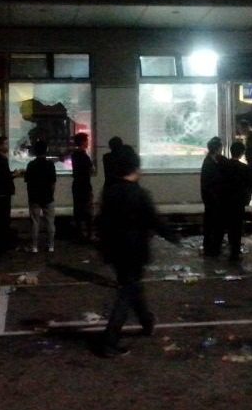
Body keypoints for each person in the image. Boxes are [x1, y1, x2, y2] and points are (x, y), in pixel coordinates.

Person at [98, 145, 178, 357]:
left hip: (115, 250)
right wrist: (174, 237)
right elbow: (155, 220)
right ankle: (109, 341)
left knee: (132, 287)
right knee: (127, 292)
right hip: (134, 251)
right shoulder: (139, 193)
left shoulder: (110, 192)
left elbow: (102, 222)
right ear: (136, 168)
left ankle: (146, 321)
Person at [0, 136, 22, 252]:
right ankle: (2, 243)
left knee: (4, 218)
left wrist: (12, 174)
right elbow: (1, 177)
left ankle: (3, 242)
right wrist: (13, 175)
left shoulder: (1, 159)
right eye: (6, 144)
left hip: (3, 192)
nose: (8, 146)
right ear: (0, 146)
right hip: (1, 193)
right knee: (3, 218)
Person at [223, 142, 252, 261]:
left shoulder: (224, 167)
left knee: (229, 225)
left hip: (226, 200)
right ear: (242, 153)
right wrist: (246, 200)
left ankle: (231, 246)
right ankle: (235, 251)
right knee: (237, 225)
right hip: (239, 201)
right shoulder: (244, 168)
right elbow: (249, 186)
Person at [25, 141, 57, 253]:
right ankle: (51, 245)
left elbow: (28, 182)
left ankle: (34, 246)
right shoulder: (50, 165)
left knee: (35, 222)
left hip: (34, 197)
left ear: (35, 151)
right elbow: (53, 183)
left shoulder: (31, 165)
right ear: (46, 150)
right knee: (50, 222)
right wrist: (51, 194)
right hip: (48, 196)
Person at [200, 137, 226, 256]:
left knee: (212, 222)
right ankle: (213, 246)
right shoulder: (210, 163)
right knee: (214, 222)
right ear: (217, 148)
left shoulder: (212, 161)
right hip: (213, 198)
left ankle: (212, 245)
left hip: (213, 198)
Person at [71, 133, 94, 242]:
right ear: (82, 142)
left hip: (76, 185)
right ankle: (89, 233)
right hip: (85, 185)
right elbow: (91, 170)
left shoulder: (74, 155)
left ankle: (79, 233)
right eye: (86, 140)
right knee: (88, 210)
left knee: (78, 209)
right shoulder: (84, 156)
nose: (87, 142)